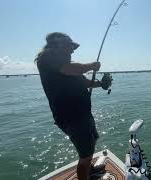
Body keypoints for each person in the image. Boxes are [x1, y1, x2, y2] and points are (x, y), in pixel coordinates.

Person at [35, 32, 112, 180]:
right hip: (72, 117)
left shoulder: (68, 65)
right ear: (57, 45)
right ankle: (85, 174)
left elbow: (84, 82)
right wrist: (91, 66)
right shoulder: (46, 58)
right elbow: (71, 69)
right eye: (70, 46)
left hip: (82, 114)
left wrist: (101, 84)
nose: (72, 50)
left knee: (91, 141)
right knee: (85, 155)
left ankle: (89, 170)